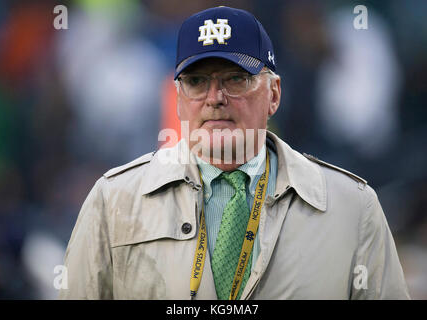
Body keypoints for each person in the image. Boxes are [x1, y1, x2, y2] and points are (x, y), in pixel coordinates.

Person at [59, 6, 410, 300]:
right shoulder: (114, 202)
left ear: (274, 94)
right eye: (197, 82)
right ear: (178, 100)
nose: (215, 98)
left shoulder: (352, 206)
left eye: (235, 79)